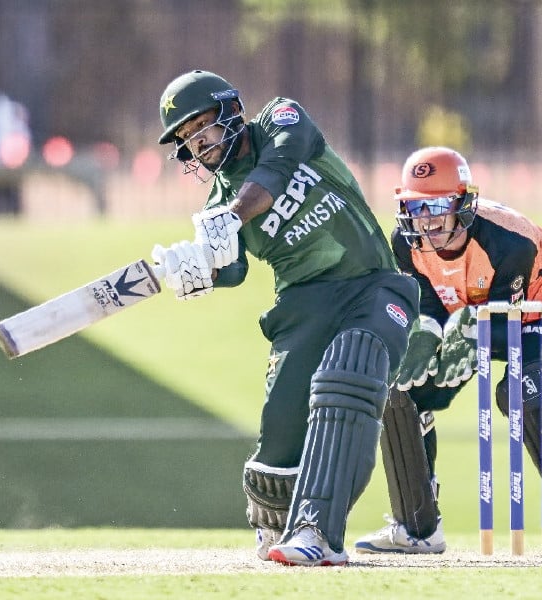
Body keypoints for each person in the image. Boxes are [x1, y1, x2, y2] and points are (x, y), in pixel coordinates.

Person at [152, 69, 421, 566]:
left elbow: (274, 171)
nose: (197, 143)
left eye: (201, 126)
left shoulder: (281, 119)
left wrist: (232, 217)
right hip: (301, 308)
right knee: (280, 430)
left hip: (372, 284)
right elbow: (231, 269)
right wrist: (194, 268)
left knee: (349, 370)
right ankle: (277, 528)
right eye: (186, 139)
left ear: (230, 110)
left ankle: (319, 533)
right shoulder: (217, 203)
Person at [354, 146, 542, 557]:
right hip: (468, 314)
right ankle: (417, 527)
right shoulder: (405, 244)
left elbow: (504, 320)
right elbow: (428, 304)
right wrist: (425, 338)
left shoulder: (508, 242)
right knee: (402, 390)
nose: (428, 221)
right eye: (417, 207)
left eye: (438, 206)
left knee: (524, 393)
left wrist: (461, 333)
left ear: (464, 202)